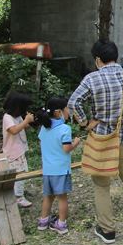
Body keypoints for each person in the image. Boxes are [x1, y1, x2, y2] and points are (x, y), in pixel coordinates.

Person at [69, 39, 123, 245]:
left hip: (101, 142)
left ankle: (107, 231)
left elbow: (73, 103)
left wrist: (85, 123)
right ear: (115, 57)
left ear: (98, 59)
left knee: (101, 186)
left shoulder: (92, 79)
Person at [35, 97, 81, 235]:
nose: (69, 111)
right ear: (58, 112)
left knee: (48, 196)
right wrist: (76, 143)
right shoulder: (64, 129)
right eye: (67, 108)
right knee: (62, 197)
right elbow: (66, 148)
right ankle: (61, 224)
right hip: (60, 169)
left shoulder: (44, 128)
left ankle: (43, 221)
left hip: (48, 169)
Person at [1, 91, 35, 208]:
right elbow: (14, 130)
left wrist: (29, 120)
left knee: (22, 172)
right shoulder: (7, 117)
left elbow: (25, 126)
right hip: (13, 152)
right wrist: (26, 121)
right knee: (20, 174)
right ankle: (18, 197)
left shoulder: (17, 116)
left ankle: (18, 192)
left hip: (20, 150)